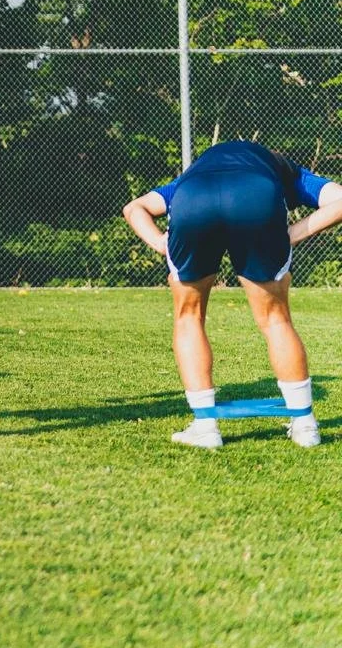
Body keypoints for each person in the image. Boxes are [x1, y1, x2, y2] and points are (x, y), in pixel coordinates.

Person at [122, 139, 342, 449]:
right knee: (275, 318)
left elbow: (134, 208)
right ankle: (305, 425)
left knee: (189, 317)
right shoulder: (288, 172)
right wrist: (296, 232)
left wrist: (161, 242)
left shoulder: (195, 173)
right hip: (256, 199)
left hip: (195, 198)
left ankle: (205, 426)